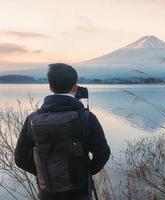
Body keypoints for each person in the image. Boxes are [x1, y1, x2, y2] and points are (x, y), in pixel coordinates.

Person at [14, 63, 110, 200]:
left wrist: (45, 173)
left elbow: (20, 159)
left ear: (50, 87)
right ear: (75, 87)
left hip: (47, 194)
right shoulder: (86, 117)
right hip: (80, 193)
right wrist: (86, 172)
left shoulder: (32, 119)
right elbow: (103, 153)